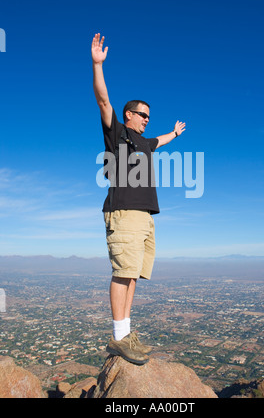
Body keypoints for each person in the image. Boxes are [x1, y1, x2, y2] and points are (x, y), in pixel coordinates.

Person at [91, 33, 185, 365]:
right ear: (128, 115)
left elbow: (159, 140)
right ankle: (118, 338)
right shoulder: (117, 133)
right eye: (142, 114)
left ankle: (126, 333)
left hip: (145, 217)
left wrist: (174, 133)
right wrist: (97, 65)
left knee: (132, 274)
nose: (146, 119)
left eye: (148, 115)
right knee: (122, 273)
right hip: (124, 213)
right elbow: (103, 101)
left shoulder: (144, 143)